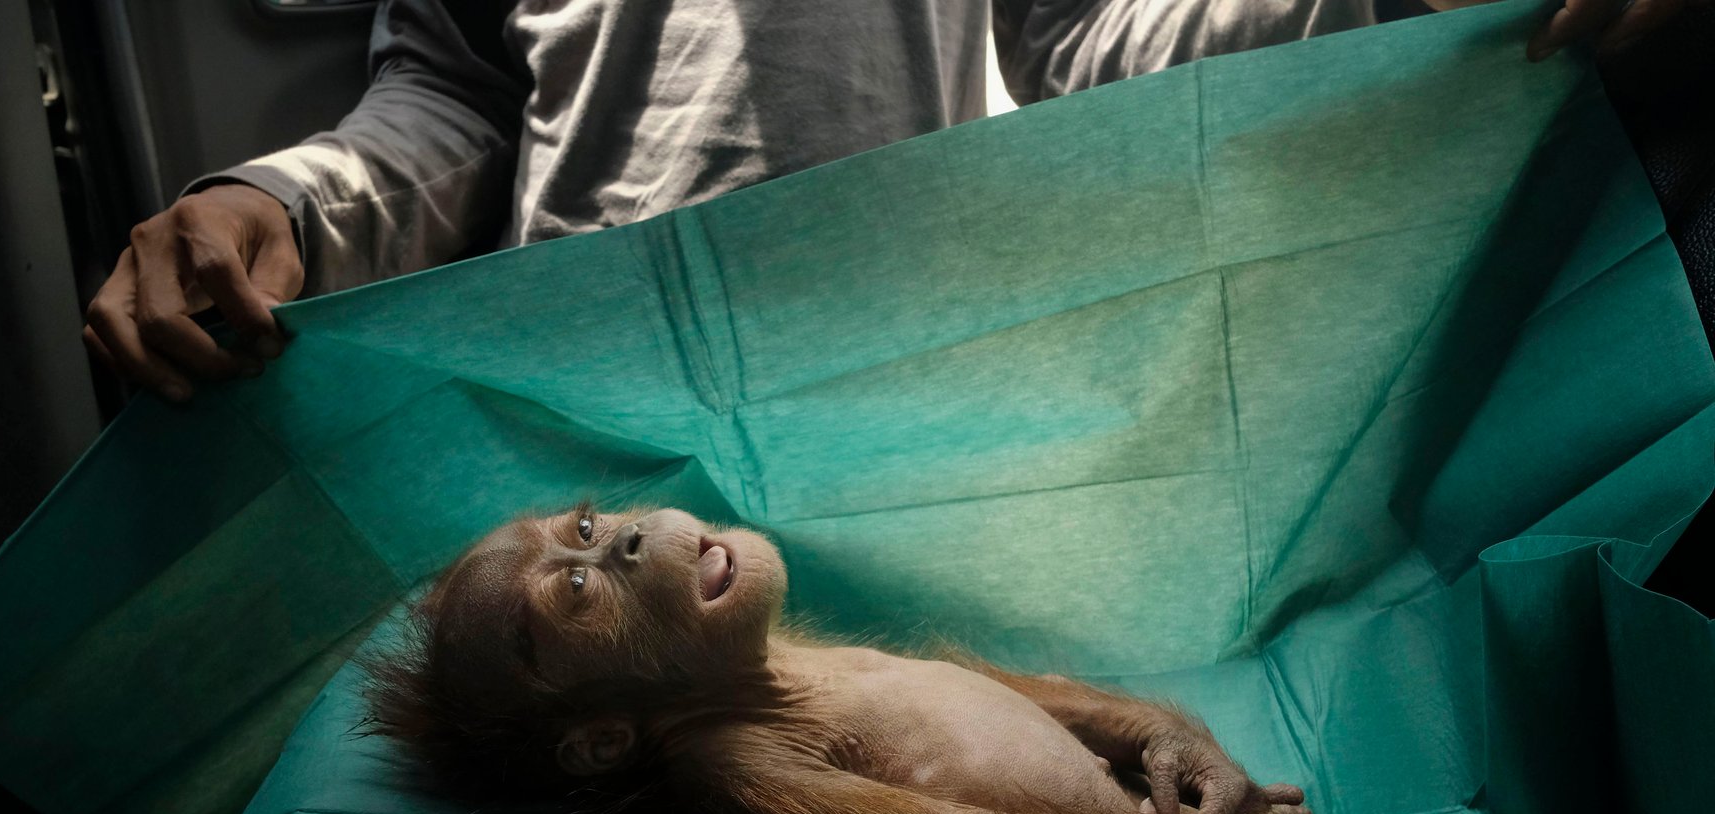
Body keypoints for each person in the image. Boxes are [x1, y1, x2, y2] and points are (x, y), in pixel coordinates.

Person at [83, 0, 1694, 401]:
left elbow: (1102, 41)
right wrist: (279, 203)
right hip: (582, 388)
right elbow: (454, 91)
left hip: (927, 387)